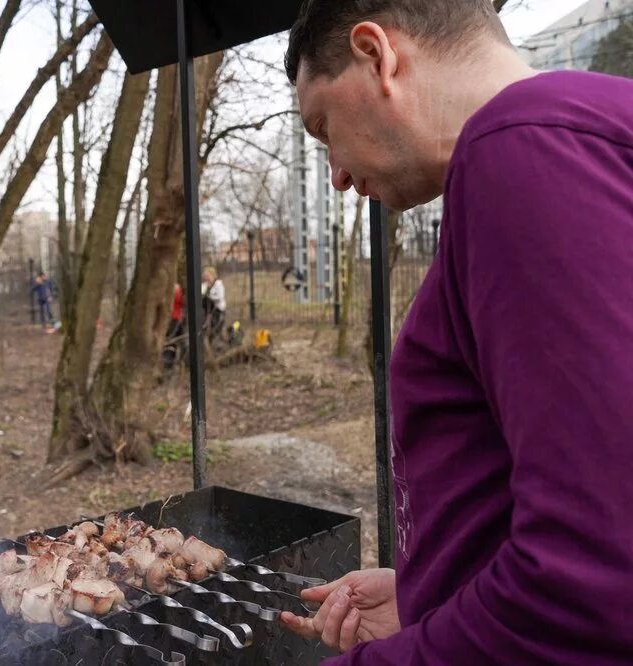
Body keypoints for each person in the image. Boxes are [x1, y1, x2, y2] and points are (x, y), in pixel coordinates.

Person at [280, 1, 633, 663]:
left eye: (325, 127)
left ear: (377, 55)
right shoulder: (577, 136)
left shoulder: (523, 149)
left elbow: (597, 580)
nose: (338, 173)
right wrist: (428, 590)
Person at [201, 266, 226, 341]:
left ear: (213, 276)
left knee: (216, 328)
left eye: (208, 276)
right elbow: (201, 293)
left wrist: (210, 296)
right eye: (205, 277)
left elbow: (220, 297)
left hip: (218, 310)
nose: (207, 279)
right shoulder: (205, 285)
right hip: (207, 311)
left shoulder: (218, 284)